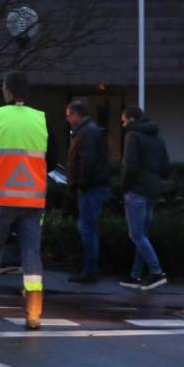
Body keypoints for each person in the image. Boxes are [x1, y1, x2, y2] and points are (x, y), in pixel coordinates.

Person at [0, 71, 57, 330]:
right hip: (32, 201)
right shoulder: (41, 118)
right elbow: (51, 159)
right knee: (31, 255)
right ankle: (33, 315)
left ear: (6, 90)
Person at [118, 106, 170, 291]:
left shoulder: (132, 137)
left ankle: (157, 272)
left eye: (123, 120)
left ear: (131, 119)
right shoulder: (157, 137)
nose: (122, 124)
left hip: (136, 190)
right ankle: (135, 275)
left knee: (136, 234)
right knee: (142, 235)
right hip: (152, 190)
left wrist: (124, 187)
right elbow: (166, 167)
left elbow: (130, 166)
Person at [65, 101, 111, 283]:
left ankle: (90, 270)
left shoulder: (86, 132)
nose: (67, 120)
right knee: (88, 227)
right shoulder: (89, 131)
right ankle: (89, 268)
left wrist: (80, 183)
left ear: (75, 114)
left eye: (68, 116)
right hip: (93, 186)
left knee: (87, 228)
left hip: (91, 188)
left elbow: (88, 161)